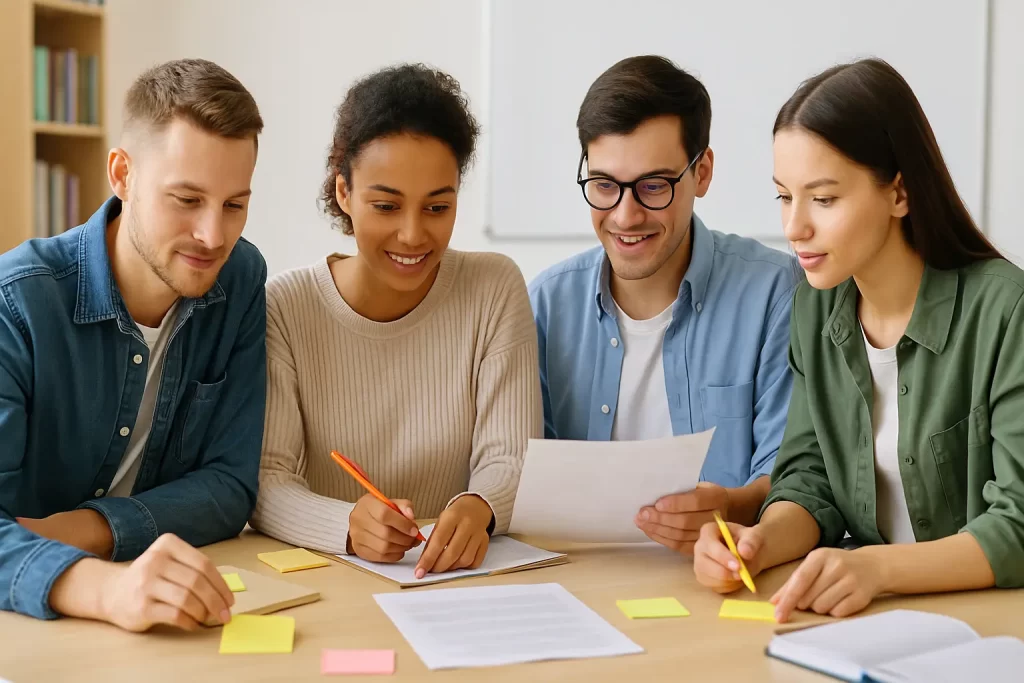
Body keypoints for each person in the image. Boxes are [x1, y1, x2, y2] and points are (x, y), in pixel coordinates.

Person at [694, 57, 1024, 621]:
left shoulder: (1004, 310)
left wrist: (876, 569)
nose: (794, 226)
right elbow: (810, 477)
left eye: (822, 199)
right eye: (783, 196)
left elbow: (1018, 523)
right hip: (863, 621)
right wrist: (756, 542)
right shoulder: (813, 308)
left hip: (983, 630)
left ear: (899, 193)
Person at [0, 59, 268, 630]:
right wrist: (106, 589)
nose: (213, 237)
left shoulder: (241, 277)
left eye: (234, 204)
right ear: (122, 175)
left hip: (164, 609)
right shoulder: (15, 304)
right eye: (186, 199)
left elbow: (229, 485)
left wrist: (88, 528)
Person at [249, 64, 542, 578]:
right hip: (334, 582)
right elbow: (268, 482)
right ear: (344, 193)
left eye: (437, 206)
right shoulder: (287, 308)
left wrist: (480, 508)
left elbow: (510, 460)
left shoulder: (494, 288)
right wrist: (346, 524)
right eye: (386, 205)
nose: (412, 235)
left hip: (459, 580)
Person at [529, 55, 802, 554]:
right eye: (605, 185)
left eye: (654, 186)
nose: (626, 216)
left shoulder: (774, 293)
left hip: (723, 581)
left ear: (702, 173)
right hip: (575, 579)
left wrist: (734, 506)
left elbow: (793, 476)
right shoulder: (545, 306)